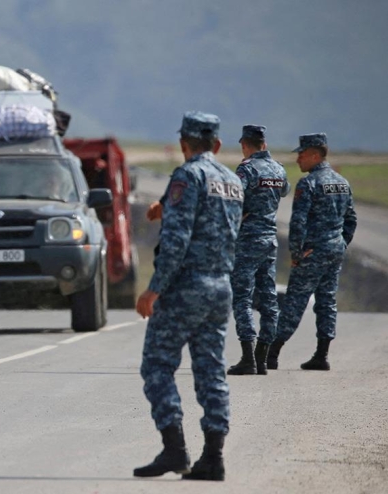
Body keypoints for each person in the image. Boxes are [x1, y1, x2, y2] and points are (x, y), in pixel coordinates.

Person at [133, 111, 242, 482]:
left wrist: (154, 289)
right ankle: (214, 457)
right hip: (220, 287)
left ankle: (175, 449)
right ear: (217, 145)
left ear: (183, 144)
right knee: (212, 371)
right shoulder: (231, 181)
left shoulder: (187, 175)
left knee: (157, 365)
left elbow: (177, 242)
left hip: (185, 288)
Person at [267, 133, 356, 371]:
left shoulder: (309, 184)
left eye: (302, 154)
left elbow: (298, 223)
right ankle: (322, 354)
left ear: (316, 155)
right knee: (327, 301)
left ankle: (272, 353)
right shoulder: (342, 182)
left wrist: (296, 254)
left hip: (313, 252)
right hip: (334, 251)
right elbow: (351, 220)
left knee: (295, 301)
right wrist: (340, 243)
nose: (298, 159)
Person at [227, 125, 290, 376]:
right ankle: (262, 358)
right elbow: (283, 190)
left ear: (244, 144)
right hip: (269, 240)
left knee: (242, 297)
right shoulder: (279, 169)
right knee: (268, 299)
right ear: (264, 144)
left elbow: (233, 198)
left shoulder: (247, 169)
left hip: (248, 240)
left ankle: (247, 358)